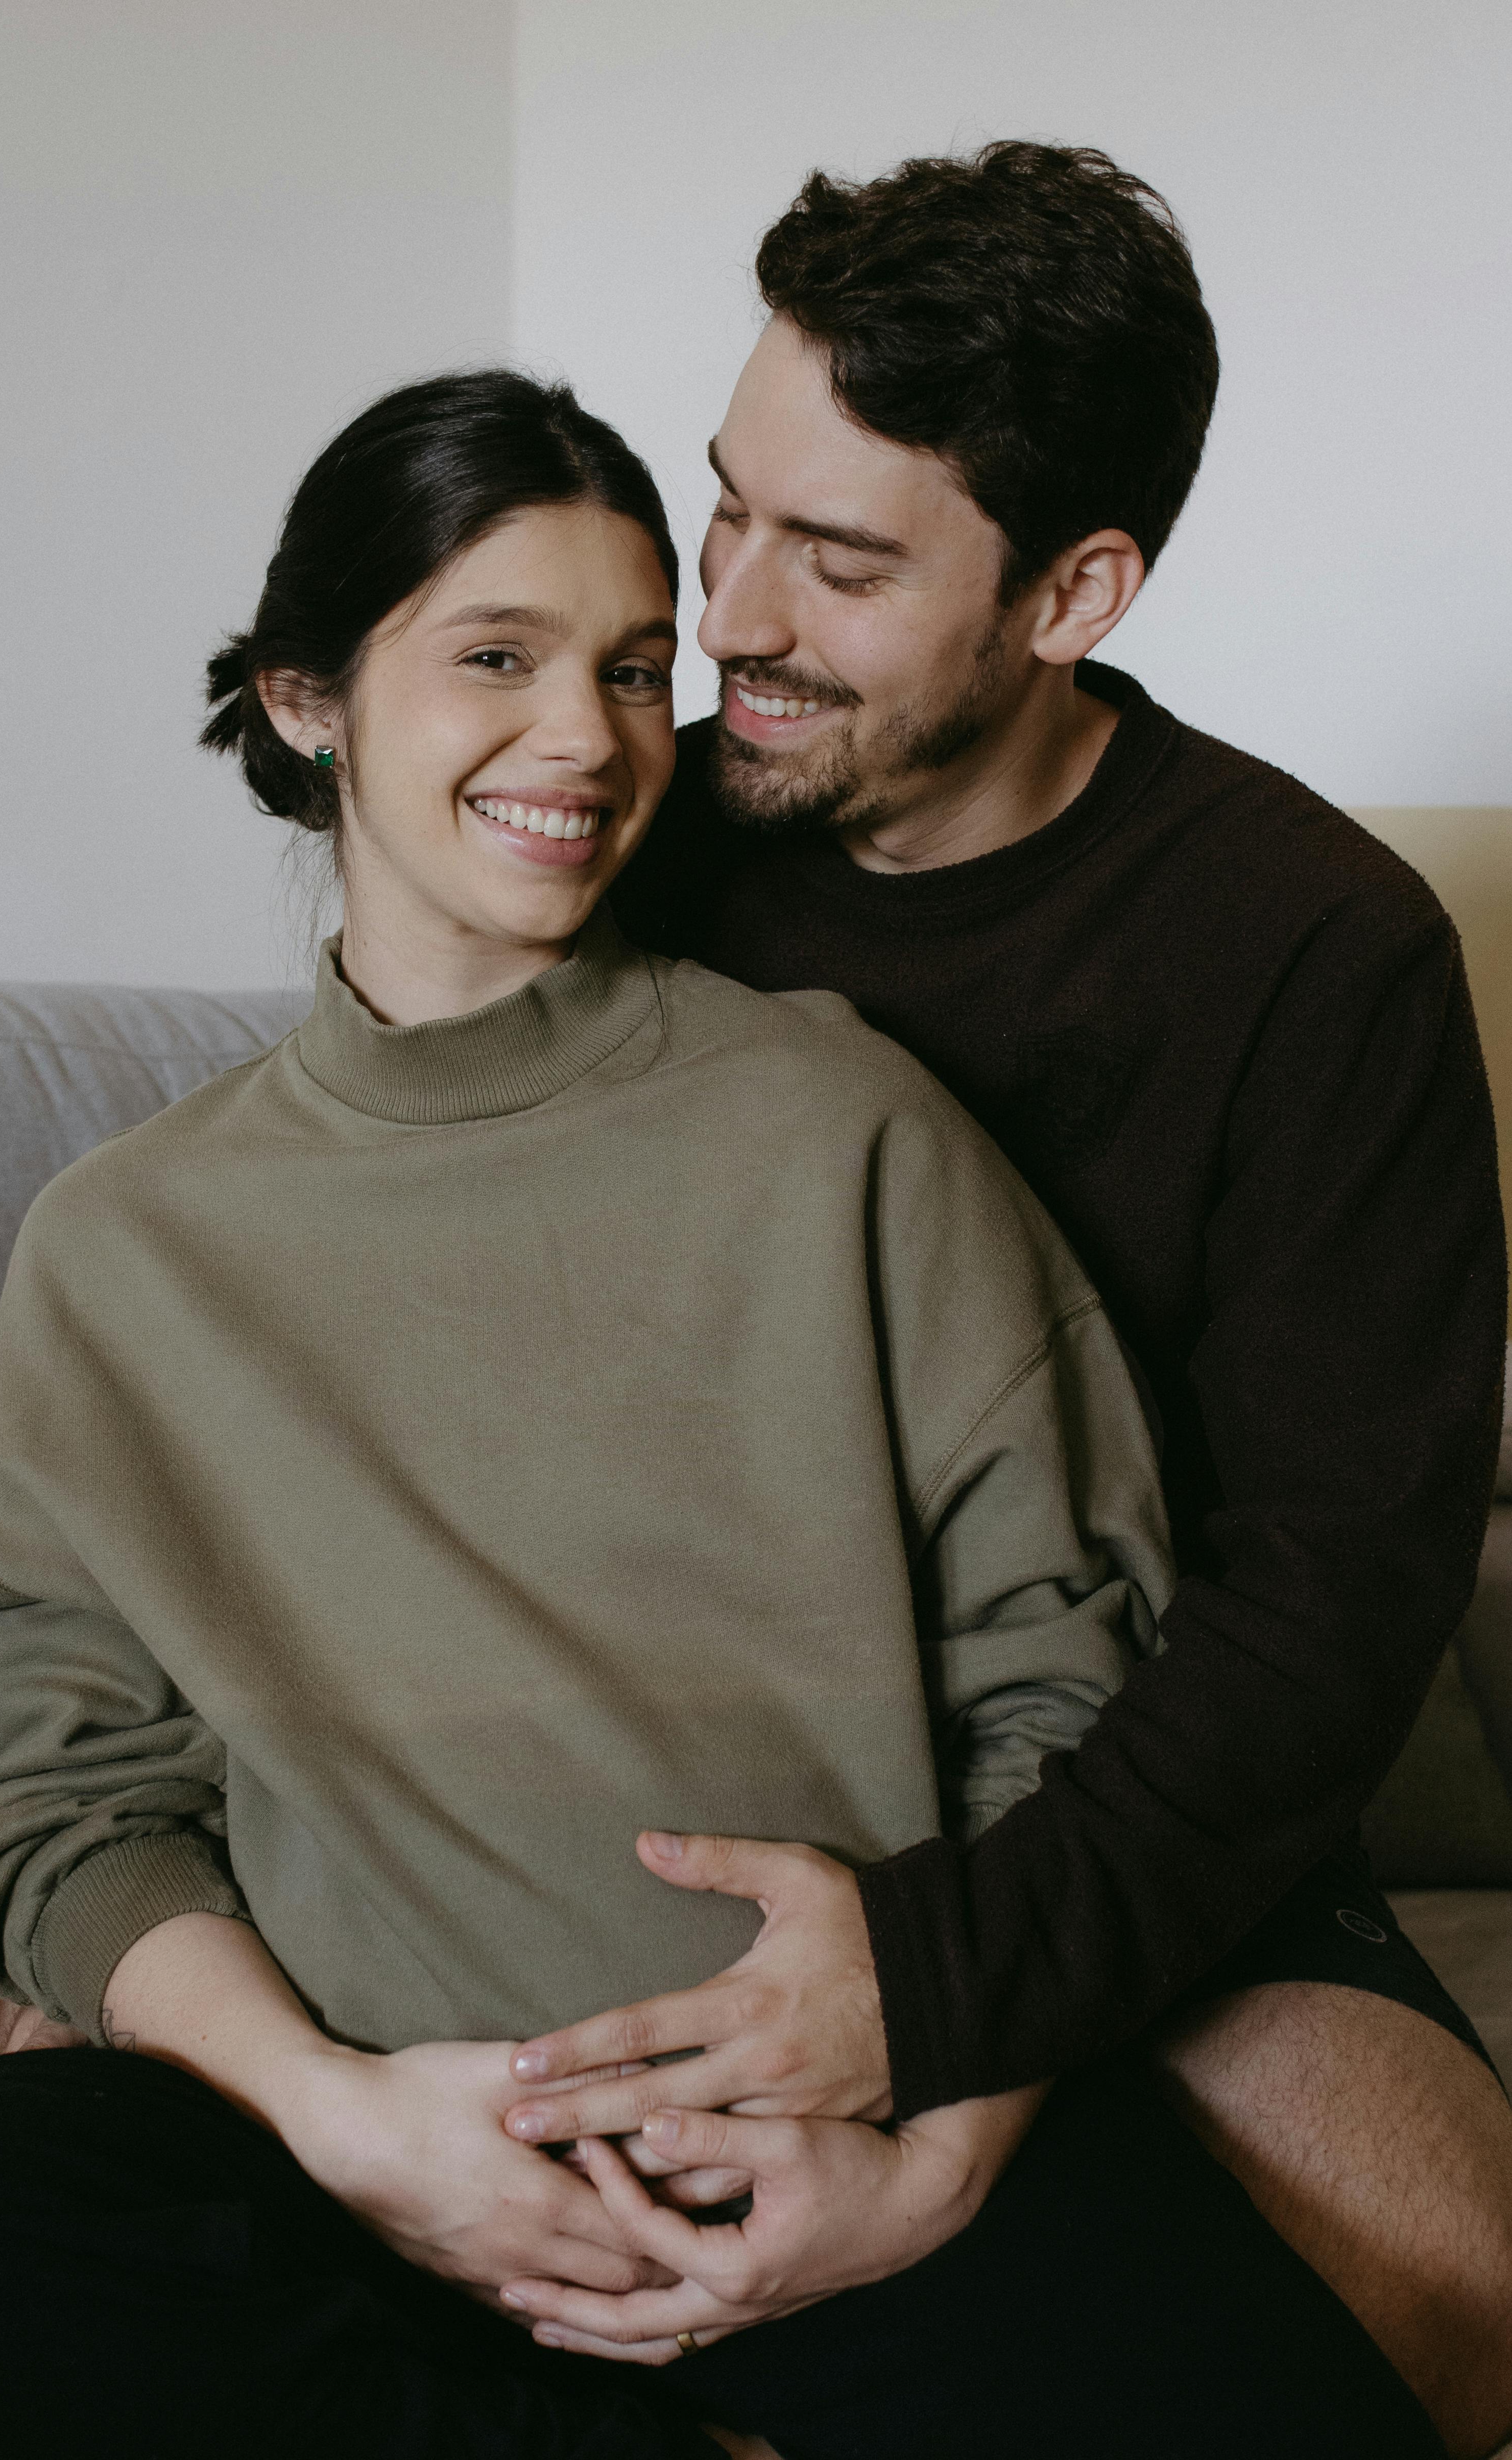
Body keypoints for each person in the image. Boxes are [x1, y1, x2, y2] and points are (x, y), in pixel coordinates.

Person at [0, 374, 1444, 2460]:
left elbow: (1062, 1684)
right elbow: (60, 1785)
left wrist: (932, 2152)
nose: (591, 735)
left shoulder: (841, 1124)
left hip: (830, 2136)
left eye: (631, 668)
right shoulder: (126, 1244)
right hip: (360, 2151)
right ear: (309, 699)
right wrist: (343, 2123)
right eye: (495, 658)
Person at [478, 144, 1512, 2457]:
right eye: (725, 504)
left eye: (836, 561)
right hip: (660, 1777)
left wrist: (934, 1993)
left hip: (1124, 1827)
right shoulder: (618, 839)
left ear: (1074, 588)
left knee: (1448, 2301)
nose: (726, 611)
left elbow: (1324, 1617)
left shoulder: (1316, 953)